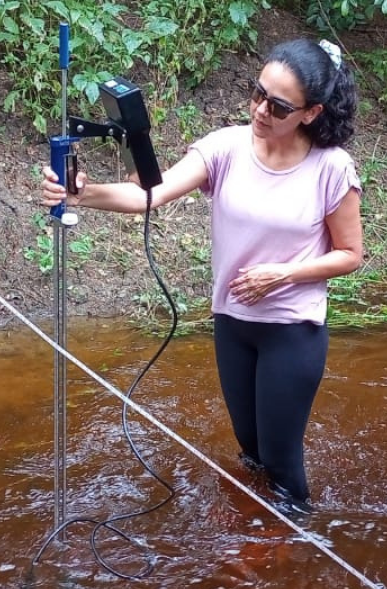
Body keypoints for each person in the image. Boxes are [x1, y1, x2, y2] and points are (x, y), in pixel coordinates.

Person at [41, 38, 363, 514]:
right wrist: (80, 195)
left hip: (292, 331)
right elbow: (150, 194)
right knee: (250, 452)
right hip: (232, 324)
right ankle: (256, 534)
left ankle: (295, 550)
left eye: (277, 106)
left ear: (310, 113)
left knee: (281, 460)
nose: (260, 111)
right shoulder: (227, 147)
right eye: (257, 94)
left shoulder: (331, 168)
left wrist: (284, 274)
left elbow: (351, 254)